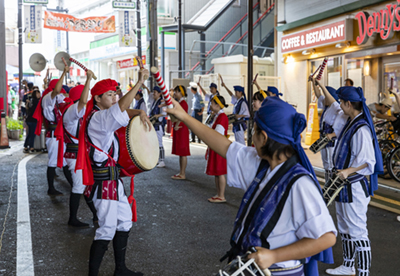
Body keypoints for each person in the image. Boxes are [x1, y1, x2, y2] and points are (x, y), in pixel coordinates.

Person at [166, 96, 336, 276]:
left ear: (263, 138)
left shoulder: (300, 183)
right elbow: (223, 145)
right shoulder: (260, 164)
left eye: (253, 131)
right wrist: (184, 116)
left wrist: (274, 256)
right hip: (249, 267)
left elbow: (327, 237)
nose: (251, 137)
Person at [75, 68, 150, 276]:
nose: (114, 97)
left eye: (115, 93)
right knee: (106, 228)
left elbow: (123, 111)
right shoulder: (99, 118)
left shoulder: (103, 116)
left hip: (113, 181)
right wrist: (139, 82)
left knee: (125, 220)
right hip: (103, 182)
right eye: (109, 94)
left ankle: (120, 269)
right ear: (97, 98)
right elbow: (121, 109)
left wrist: (140, 112)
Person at [325, 86, 383, 276]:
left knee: (358, 232)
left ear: (349, 103)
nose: (340, 106)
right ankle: (348, 266)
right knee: (344, 227)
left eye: (342, 103)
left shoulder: (361, 128)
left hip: (354, 187)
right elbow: (333, 106)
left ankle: (363, 272)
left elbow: (368, 161)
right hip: (344, 184)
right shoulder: (350, 121)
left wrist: (348, 170)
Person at [54, 70, 97, 228]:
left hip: (79, 154)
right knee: (79, 186)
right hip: (75, 155)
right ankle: (73, 219)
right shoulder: (72, 111)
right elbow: (83, 102)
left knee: (85, 185)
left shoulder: (73, 110)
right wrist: (88, 80)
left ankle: (95, 215)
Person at [33, 64, 73, 196]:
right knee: (53, 162)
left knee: (66, 160)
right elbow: (56, 91)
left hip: (60, 133)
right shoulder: (48, 97)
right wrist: (63, 73)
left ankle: (74, 186)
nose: (61, 91)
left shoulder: (57, 97)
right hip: (54, 134)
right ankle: (51, 188)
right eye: (60, 88)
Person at [310, 78, 344, 182]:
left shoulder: (336, 107)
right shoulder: (326, 107)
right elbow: (318, 95)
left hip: (332, 138)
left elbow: (341, 127)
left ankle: (331, 184)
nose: (324, 98)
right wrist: (314, 83)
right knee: (325, 162)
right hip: (324, 137)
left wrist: (321, 85)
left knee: (331, 163)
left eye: (326, 97)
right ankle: (327, 182)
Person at [206, 95, 229, 203]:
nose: (210, 105)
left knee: (220, 172)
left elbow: (218, 133)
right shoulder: (217, 115)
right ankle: (219, 194)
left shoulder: (222, 116)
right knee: (217, 172)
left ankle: (221, 195)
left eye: (212, 103)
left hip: (218, 146)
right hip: (216, 145)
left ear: (217, 105)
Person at [171, 85, 190, 180]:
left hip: (181, 128)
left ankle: (182, 173)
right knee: (181, 152)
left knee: (183, 152)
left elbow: (182, 116)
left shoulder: (183, 103)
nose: (175, 93)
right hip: (180, 128)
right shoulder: (181, 102)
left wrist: (177, 124)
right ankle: (181, 172)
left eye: (176, 92)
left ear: (181, 93)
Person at [149, 86, 166, 168]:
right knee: (154, 143)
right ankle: (157, 159)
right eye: (154, 91)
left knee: (159, 143)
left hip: (158, 124)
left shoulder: (161, 102)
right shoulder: (154, 101)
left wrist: (157, 115)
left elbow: (165, 113)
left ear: (160, 94)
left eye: (155, 92)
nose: (154, 93)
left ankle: (162, 160)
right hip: (154, 124)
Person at [23, 89, 41, 153]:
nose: (39, 95)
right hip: (33, 119)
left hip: (29, 119)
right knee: (32, 134)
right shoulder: (37, 101)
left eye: (39, 93)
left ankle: (25, 146)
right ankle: (31, 147)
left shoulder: (30, 100)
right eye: (37, 94)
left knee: (30, 133)